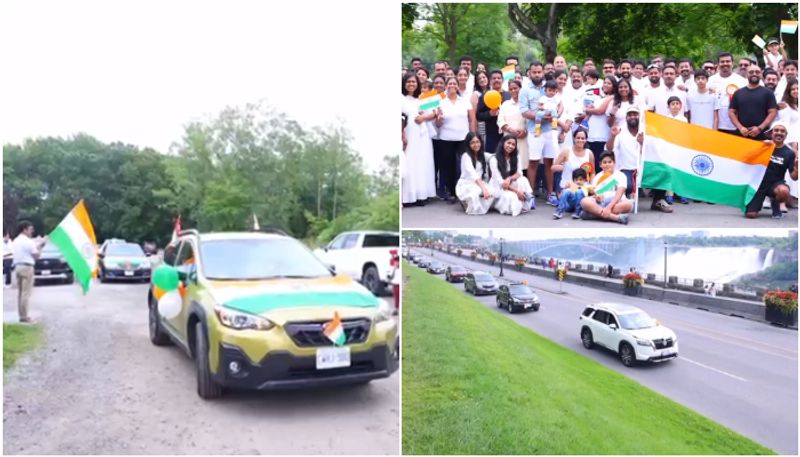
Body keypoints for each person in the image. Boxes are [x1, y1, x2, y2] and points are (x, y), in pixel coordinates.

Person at [745, 122, 797, 219]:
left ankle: (775, 204)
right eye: (776, 130)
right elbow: (746, 159)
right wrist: (761, 147)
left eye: (782, 131)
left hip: (775, 184)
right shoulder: (762, 145)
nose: (779, 133)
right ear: (771, 133)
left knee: (784, 191)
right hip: (758, 185)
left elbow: (794, 177)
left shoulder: (789, 153)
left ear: (786, 135)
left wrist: (797, 168)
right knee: (750, 215)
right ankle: (755, 204)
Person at [437, 76, 477, 203]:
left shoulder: (465, 101)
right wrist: (439, 119)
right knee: (447, 166)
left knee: (462, 166)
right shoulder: (440, 101)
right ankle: (448, 192)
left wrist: (473, 134)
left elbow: (472, 119)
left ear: (457, 86)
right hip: (446, 138)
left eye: (454, 83)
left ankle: (460, 191)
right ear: (446, 86)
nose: (452, 85)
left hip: (463, 139)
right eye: (449, 83)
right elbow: (437, 123)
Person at [401, 73, 437, 207]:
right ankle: (408, 196)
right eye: (408, 82)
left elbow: (435, 112)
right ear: (404, 83)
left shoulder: (422, 99)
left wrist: (424, 118)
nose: (411, 84)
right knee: (409, 163)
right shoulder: (400, 99)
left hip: (422, 136)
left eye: (414, 82)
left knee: (423, 163)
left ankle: (421, 195)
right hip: (408, 134)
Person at [580, 151, 631, 224]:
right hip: (601, 202)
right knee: (584, 201)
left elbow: (620, 193)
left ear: (614, 163)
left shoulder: (621, 175)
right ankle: (616, 218)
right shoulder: (597, 177)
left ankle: (593, 215)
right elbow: (595, 192)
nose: (607, 165)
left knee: (628, 205)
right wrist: (597, 196)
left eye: (610, 162)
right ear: (600, 165)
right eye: (605, 162)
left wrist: (609, 207)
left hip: (616, 202)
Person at [488, 135, 534, 216]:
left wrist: (509, 178)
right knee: (513, 201)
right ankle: (501, 202)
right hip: (498, 186)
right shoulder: (494, 159)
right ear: (502, 143)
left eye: (513, 144)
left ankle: (527, 198)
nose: (510, 146)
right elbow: (500, 181)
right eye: (508, 143)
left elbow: (520, 172)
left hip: (509, 183)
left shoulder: (516, 156)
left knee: (523, 179)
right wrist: (517, 191)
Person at [729, 64, 777, 141]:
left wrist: (759, 128)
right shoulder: (738, 93)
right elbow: (731, 112)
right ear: (747, 74)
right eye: (751, 72)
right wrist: (740, 127)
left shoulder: (768, 93)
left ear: (761, 74)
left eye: (757, 72)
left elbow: (773, 112)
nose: (754, 74)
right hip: (742, 135)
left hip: (762, 136)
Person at [12, 221, 47, 323]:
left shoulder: (16, 241)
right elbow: (36, 255)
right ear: (24, 229)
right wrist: (41, 246)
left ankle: (21, 315)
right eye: (30, 229)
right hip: (27, 267)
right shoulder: (28, 241)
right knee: (26, 293)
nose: (32, 231)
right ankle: (25, 316)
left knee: (20, 293)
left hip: (17, 266)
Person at [606, 106, 643, 198]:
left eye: (635, 114)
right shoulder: (620, 130)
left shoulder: (645, 130)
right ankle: (626, 195)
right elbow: (609, 149)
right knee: (628, 186)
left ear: (639, 116)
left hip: (643, 168)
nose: (632, 117)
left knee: (663, 175)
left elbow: (649, 154)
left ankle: (658, 201)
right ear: (626, 118)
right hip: (626, 169)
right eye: (630, 115)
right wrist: (613, 136)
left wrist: (642, 144)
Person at [708, 52, 748, 136]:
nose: (725, 63)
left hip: (735, 126)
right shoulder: (710, 80)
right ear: (718, 64)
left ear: (732, 63)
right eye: (722, 62)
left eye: (728, 61)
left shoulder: (742, 81)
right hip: (715, 125)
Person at [498, 79, 529, 179]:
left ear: (520, 88)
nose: (513, 91)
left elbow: (531, 121)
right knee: (508, 164)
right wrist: (511, 130)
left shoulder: (526, 104)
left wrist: (525, 131)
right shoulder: (505, 104)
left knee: (524, 164)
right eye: (510, 89)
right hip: (508, 139)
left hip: (523, 139)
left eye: (515, 88)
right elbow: (500, 121)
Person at [456, 132, 494, 215]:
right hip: (467, 184)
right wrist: (484, 189)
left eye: (477, 142)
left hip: (479, 183)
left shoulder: (482, 155)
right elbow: (473, 174)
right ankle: (466, 201)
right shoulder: (466, 156)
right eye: (472, 143)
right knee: (477, 192)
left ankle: (474, 201)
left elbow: (494, 156)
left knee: (492, 191)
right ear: (468, 144)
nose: (476, 144)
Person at [553, 128, 594, 199]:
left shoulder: (589, 153)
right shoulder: (566, 151)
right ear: (574, 138)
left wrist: (592, 185)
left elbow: (593, 172)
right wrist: (558, 167)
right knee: (578, 194)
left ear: (586, 140)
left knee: (599, 192)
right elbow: (552, 168)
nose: (580, 140)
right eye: (578, 138)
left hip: (583, 186)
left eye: (583, 138)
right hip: (568, 186)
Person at [477, 70, 510, 155]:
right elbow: (478, 115)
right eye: (494, 78)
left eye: (499, 78)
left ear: (502, 80)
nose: (496, 80)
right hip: (492, 134)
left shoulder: (509, 95)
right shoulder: (485, 96)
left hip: (507, 133)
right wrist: (489, 114)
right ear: (490, 81)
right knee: (491, 158)